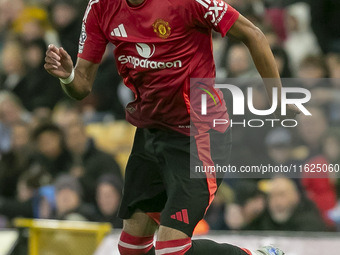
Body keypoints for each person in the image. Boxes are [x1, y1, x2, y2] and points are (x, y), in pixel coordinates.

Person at [44, 0, 300, 254]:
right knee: (130, 248)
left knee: (171, 249)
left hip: (198, 134)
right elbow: (81, 87)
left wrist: (276, 97)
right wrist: (67, 76)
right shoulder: (100, 7)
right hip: (150, 132)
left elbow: (253, 34)